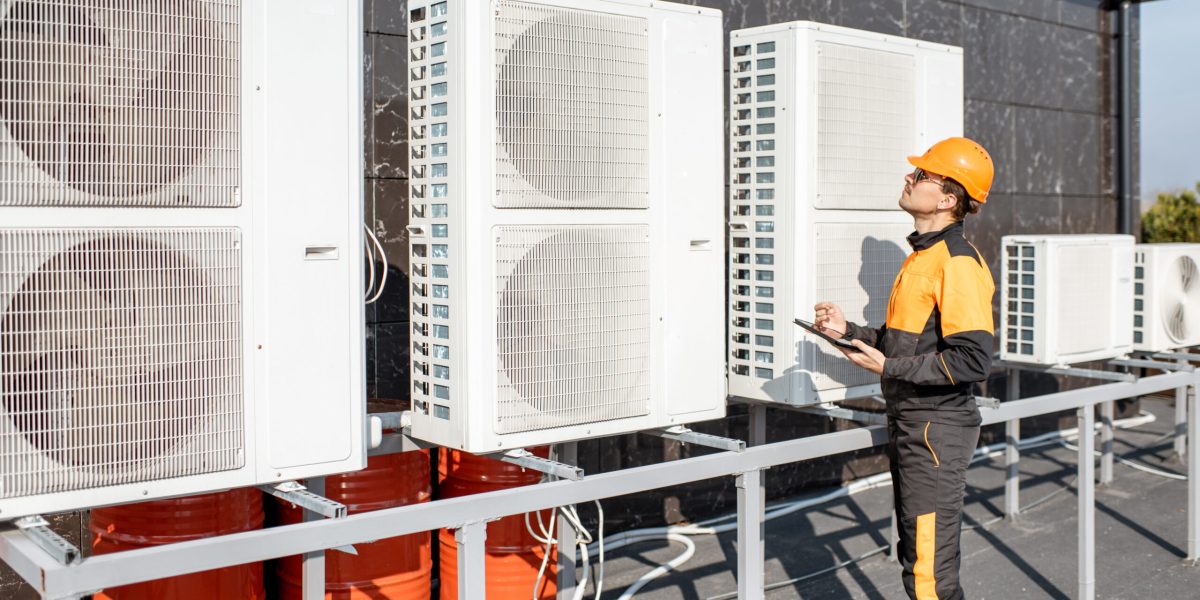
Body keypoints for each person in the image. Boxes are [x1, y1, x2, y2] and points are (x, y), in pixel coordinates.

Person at [813, 137, 996, 600]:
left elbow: (973, 359)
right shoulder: (923, 257)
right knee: (918, 559)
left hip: (936, 429)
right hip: (916, 423)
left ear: (948, 199)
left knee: (929, 576)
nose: (908, 179)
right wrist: (848, 330)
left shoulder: (957, 262)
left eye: (920, 176)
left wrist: (889, 365)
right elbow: (906, 343)